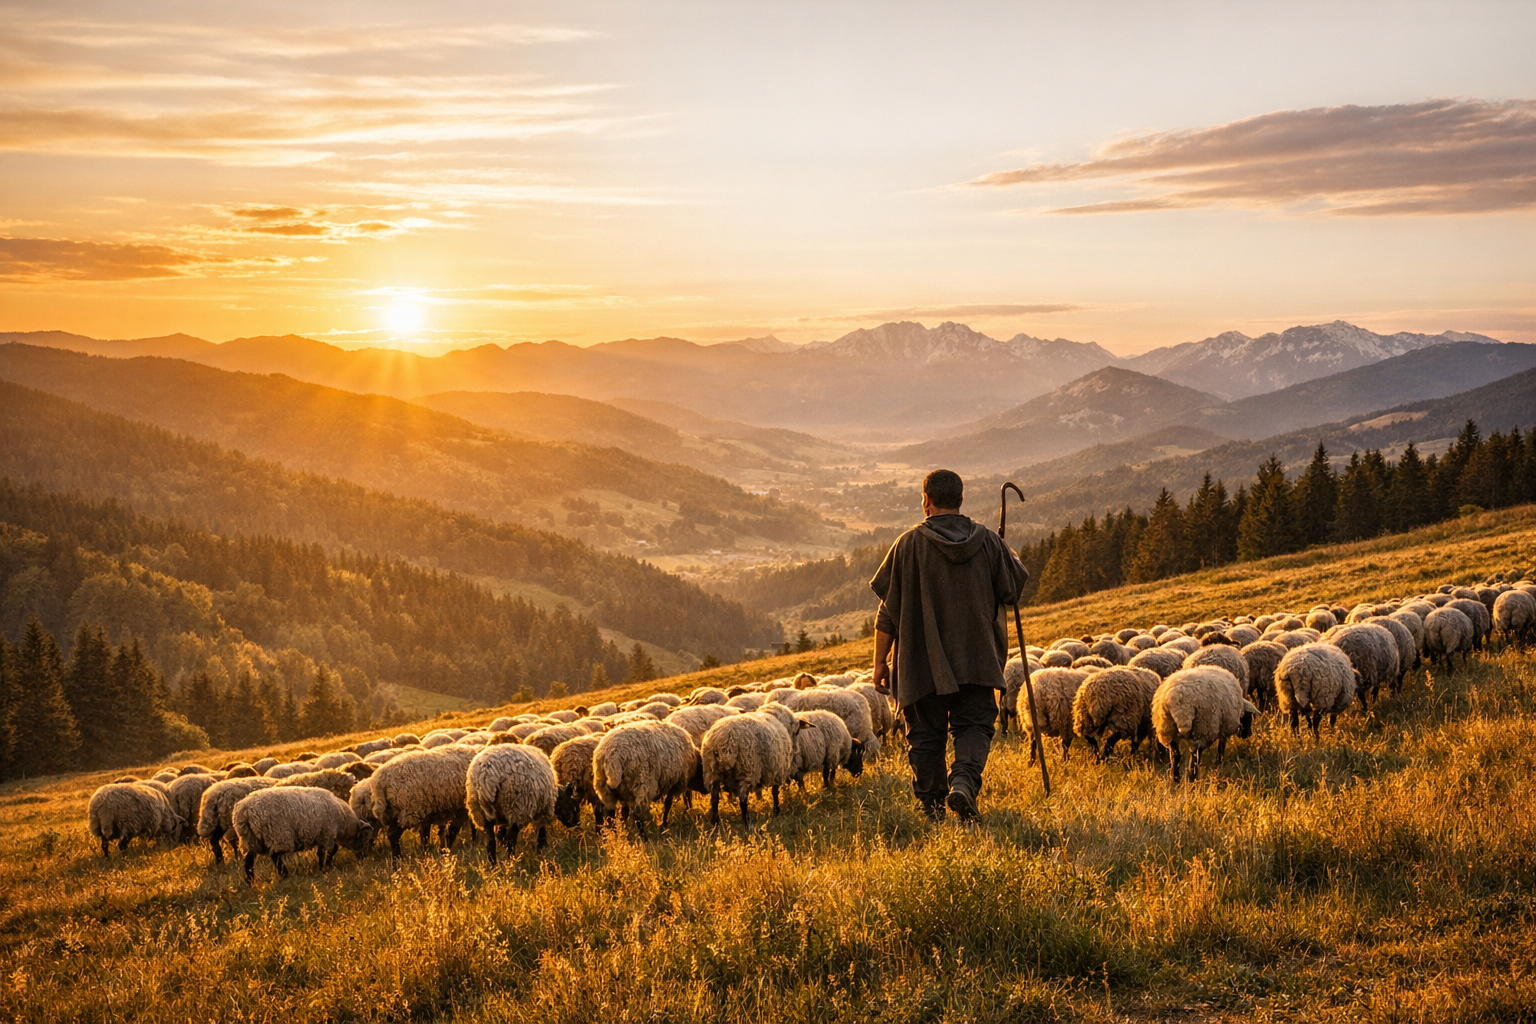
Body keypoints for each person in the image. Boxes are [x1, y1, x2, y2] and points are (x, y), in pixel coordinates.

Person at [869, 469, 1028, 822]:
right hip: (976, 658)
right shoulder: (987, 541)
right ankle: (964, 784)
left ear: (926, 501)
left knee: (925, 735)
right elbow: (1012, 591)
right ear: (960, 500)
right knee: (973, 725)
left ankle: (932, 809)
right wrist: (1009, 554)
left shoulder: (907, 545)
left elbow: (888, 611)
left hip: (920, 661)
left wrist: (880, 662)